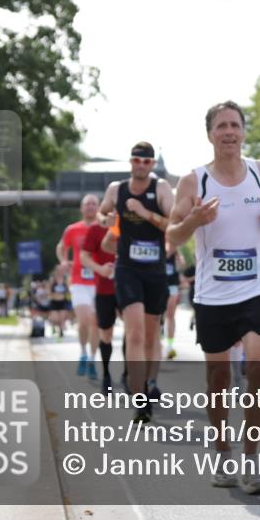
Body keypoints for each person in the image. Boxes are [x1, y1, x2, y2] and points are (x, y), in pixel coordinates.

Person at [167, 101, 260, 494]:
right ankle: (222, 452)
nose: (229, 132)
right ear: (210, 134)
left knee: (259, 365)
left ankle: (252, 458)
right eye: (221, 126)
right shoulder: (193, 181)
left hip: (257, 288)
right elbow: (172, 237)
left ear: (243, 131)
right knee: (217, 379)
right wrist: (193, 221)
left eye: (235, 125)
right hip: (213, 294)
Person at [99, 143, 173, 423]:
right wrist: (106, 219)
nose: (140, 164)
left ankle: (150, 382)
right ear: (130, 161)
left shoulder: (162, 188)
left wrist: (144, 213)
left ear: (152, 164)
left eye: (146, 161)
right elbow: (102, 213)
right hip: (127, 268)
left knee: (152, 336)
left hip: (155, 271)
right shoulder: (116, 189)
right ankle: (140, 398)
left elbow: (172, 225)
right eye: (136, 160)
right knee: (136, 333)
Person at [59, 194, 102, 380]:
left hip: (99, 282)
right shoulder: (73, 229)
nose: (91, 207)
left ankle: (92, 359)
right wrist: (63, 260)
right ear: (81, 208)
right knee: (84, 321)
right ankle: (83, 353)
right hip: (79, 282)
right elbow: (61, 246)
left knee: (95, 323)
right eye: (87, 204)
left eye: (94, 204)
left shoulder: (104, 228)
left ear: (99, 207)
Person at [82, 210, 122, 395]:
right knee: (106, 334)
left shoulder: (129, 226)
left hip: (128, 288)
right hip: (104, 289)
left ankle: (129, 375)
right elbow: (84, 256)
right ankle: (106, 375)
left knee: (134, 330)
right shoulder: (95, 230)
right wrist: (99, 269)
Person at [163, 243, 184, 360]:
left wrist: (178, 256)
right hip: (158, 284)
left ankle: (170, 346)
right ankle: (157, 342)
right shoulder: (159, 242)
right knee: (158, 315)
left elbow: (181, 264)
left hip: (172, 284)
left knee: (170, 315)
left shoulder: (175, 248)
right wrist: (169, 251)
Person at [46, 265, 70, 340]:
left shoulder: (65, 280)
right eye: (58, 270)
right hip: (54, 302)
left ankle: (60, 332)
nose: (60, 271)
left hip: (63, 302)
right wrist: (53, 295)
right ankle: (55, 326)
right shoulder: (52, 280)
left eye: (61, 270)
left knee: (61, 319)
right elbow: (48, 290)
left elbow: (69, 290)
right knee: (56, 319)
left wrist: (65, 295)